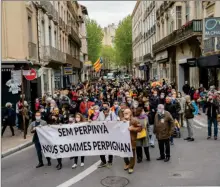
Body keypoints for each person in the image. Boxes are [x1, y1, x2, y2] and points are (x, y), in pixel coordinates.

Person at [96, 102, 118, 168]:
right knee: (101, 148)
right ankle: (103, 161)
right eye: (103, 106)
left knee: (110, 147)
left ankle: (110, 162)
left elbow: (116, 123)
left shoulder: (112, 114)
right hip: (102, 134)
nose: (104, 108)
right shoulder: (100, 113)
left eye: (106, 106)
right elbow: (97, 122)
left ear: (109, 107)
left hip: (110, 134)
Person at [123, 108, 142, 174]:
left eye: (127, 113)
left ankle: (131, 167)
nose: (125, 114)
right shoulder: (122, 120)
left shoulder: (134, 120)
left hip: (131, 140)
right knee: (124, 153)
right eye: (124, 113)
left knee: (132, 154)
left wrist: (133, 128)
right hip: (124, 141)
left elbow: (140, 128)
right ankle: (127, 163)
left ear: (130, 113)